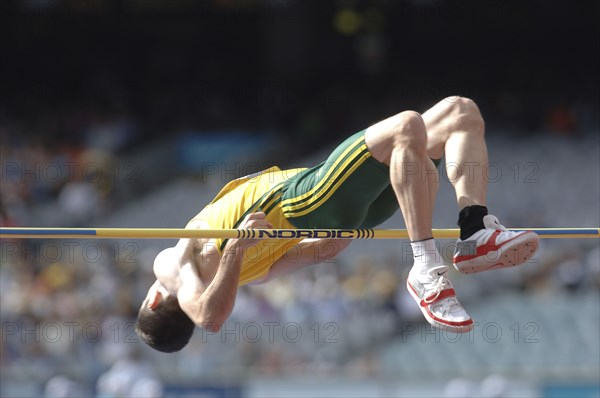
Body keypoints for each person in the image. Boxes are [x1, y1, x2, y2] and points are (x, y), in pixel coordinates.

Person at [135, 96, 539, 353]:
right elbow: (210, 317)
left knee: (459, 112)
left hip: (347, 210)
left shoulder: (252, 275)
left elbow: (325, 250)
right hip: (306, 197)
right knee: (406, 125)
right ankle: (424, 267)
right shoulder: (171, 269)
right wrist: (237, 248)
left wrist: (321, 236)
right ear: (153, 301)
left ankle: (474, 231)